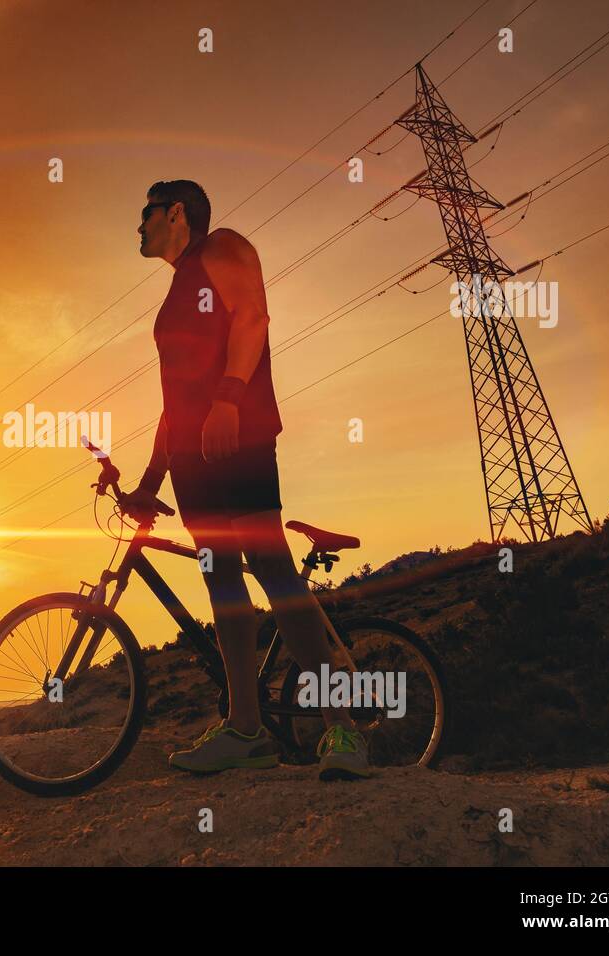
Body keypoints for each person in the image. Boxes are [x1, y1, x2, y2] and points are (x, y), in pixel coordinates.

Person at [123, 179, 369, 780]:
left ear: (176, 212)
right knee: (223, 586)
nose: (140, 225)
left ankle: (344, 728)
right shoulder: (176, 291)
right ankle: (246, 731)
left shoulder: (221, 247)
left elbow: (253, 316)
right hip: (191, 457)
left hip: (238, 435)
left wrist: (230, 399)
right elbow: (172, 403)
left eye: (147, 213)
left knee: (273, 572)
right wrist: (152, 478)